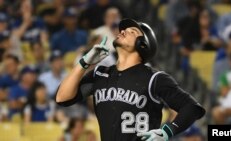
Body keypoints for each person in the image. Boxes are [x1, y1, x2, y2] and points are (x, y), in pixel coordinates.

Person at [56, 18, 205, 141]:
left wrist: (167, 131)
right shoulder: (100, 74)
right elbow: (62, 98)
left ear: (143, 44)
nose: (123, 31)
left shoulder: (154, 78)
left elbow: (192, 108)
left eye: (132, 31)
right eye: (123, 30)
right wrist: (84, 63)